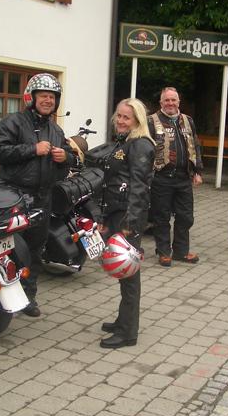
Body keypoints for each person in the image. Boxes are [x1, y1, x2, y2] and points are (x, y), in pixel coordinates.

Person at [0, 73, 74, 316]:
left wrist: (65, 158)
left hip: (42, 198)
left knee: (35, 250)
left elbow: (65, 166)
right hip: (14, 196)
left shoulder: (56, 130)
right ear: (32, 97)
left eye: (52, 97)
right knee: (9, 248)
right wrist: (32, 149)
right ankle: (2, 295)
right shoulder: (13, 122)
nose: (48, 100)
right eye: (43, 96)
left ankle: (28, 297)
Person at [85, 98, 155, 349]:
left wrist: (130, 224)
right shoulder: (125, 142)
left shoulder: (141, 145)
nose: (121, 121)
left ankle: (128, 333)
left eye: (127, 117)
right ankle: (123, 321)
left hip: (127, 217)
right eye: (119, 116)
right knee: (123, 273)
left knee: (129, 273)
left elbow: (139, 188)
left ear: (137, 120)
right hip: (116, 214)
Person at [148, 87, 203, 267]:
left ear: (179, 102)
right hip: (161, 177)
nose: (170, 103)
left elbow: (195, 145)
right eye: (167, 100)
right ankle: (164, 252)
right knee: (161, 217)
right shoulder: (151, 121)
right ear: (161, 102)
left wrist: (198, 171)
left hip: (183, 177)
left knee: (186, 217)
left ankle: (181, 251)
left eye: (173, 100)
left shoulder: (188, 120)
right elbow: (145, 149)